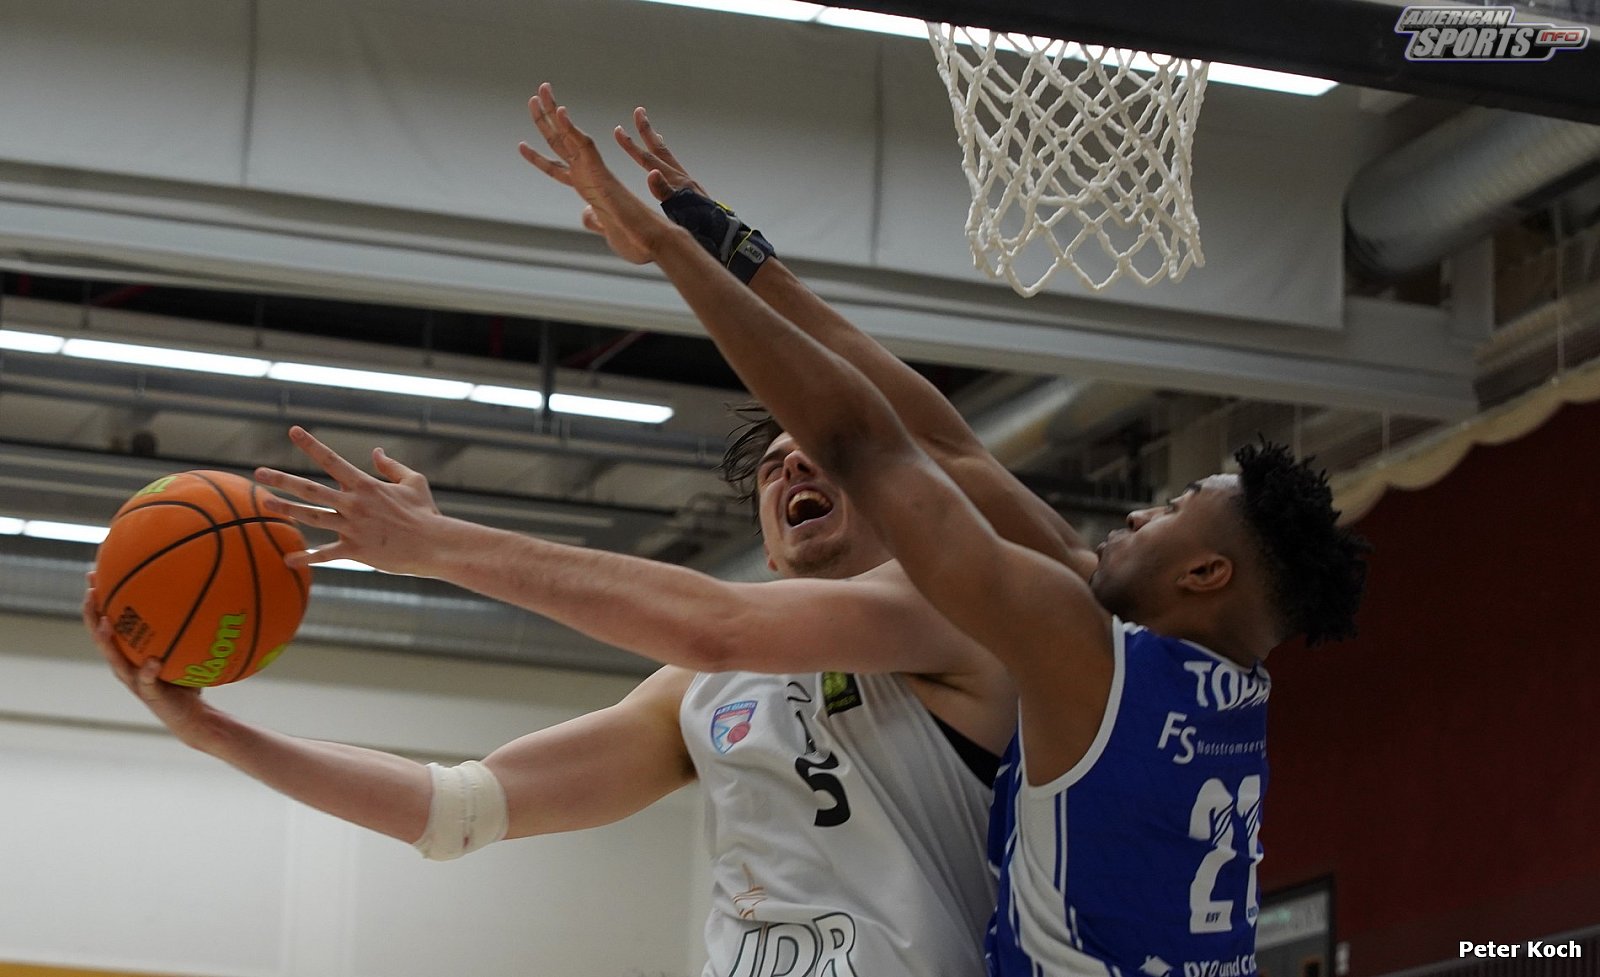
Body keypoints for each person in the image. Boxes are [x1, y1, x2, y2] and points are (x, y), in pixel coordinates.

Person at [87, 121, 1102, 973]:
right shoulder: (703, 694)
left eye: (817, 455)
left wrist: (441, 544)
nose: (792, 467)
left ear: (897, 497)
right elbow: (459, 808)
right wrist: (216, 733)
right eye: (770, 467)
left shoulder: (960, 614)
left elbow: (716, 619)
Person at [519, 83, 1370, 977]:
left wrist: (670, 250)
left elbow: (871, 443)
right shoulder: (1206, 679)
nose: (1136, 512)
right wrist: (731, 246)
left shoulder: (1089, 658)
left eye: (1172, 508)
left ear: (1204, 573)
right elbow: (947, 443)